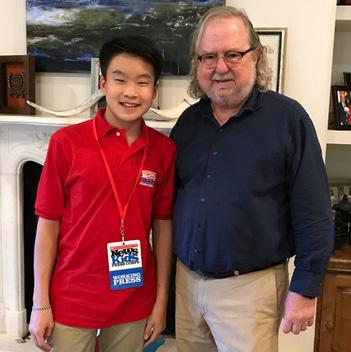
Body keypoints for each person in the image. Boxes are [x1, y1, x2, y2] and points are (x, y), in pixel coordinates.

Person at [170, 6, 334, 352]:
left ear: (256, 57)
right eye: (208, 56)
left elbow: (314, 210)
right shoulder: (187, 124)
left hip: (249, 290)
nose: (220, 67)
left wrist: (305, 288)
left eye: (232, 54)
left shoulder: (287, 119)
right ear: (196, 63)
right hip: (187, 284)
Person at [28, 36, 175, 352]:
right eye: (120, 80)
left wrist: (161, 301)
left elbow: (163, 228)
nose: (130, 92)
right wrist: (40, 303)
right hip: (72, 298)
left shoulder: (163, 151)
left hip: (133, 299)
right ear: (104, 82)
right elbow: (48, 226)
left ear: (154, 91)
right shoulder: (67, 143)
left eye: (143, 82)